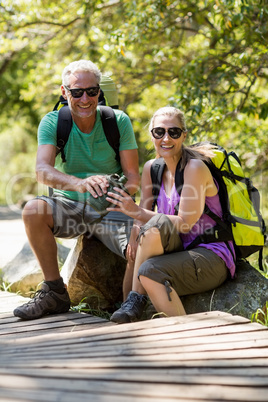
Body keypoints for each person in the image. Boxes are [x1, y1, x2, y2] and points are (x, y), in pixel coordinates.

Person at [13, 60, 140, 320]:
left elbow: (134, 178)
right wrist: (79, 184)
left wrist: (112, 188)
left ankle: (133, 302)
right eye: (77, 92)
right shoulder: (53, 122)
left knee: (142, 240)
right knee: (33, 210)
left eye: (92, 92)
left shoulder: (118, 121)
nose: (85, 99)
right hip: (68, 203)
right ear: (64, 92)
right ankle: (55, 292)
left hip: (111, 209)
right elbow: (42, 171)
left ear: (99, 93)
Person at [106, 106, 236, 324]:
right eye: (159, 132)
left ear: (184, 135)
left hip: (210, 253)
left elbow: (185, 224)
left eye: (173, 132)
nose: (166, 138)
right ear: (152, 135)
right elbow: (142, 216)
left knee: (149, 268)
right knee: (140, 237)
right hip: (179, 247)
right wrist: (133, 240)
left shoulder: (194, 168)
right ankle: (128, 308)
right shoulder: (152, 168)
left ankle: (179, 331)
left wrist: (136, 212)